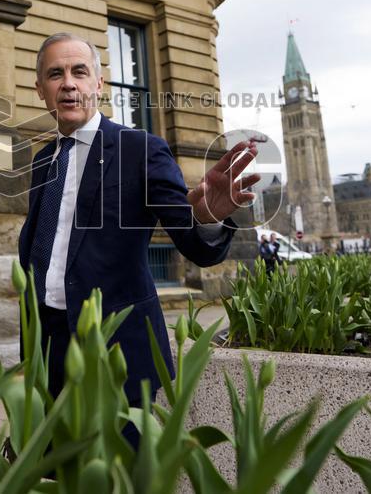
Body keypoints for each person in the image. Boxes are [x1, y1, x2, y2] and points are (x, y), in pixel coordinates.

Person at [19, 32, 259, 437]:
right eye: (55, 74)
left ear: (99, 84)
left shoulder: (140, 149)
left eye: (79, 71)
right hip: (49, 345)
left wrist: (206, 216)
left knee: (122, 464)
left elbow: (195, 245)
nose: (69, 84)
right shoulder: (43, 160)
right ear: (41, 89)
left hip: (119, 350)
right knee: (58, 462)